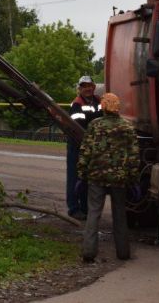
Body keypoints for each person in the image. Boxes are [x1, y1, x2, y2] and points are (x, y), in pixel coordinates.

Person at [77, 93, 139, 262]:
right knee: (119, 215)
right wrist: (133, 179)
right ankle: (123, 253)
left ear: (102, 106)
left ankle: (89, 253)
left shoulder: (95, 125)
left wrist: (82, 174)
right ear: (118, 107)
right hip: (119, 179)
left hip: (96, 176)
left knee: (93, 214)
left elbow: (85, 151)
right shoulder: (127, 127)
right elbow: (133, 156)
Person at [66, 75, 102, 220]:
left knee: (88, 179)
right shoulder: (76, 104)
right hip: (78, 145)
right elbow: (78, 128)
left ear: (93, 87)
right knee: (75, 177)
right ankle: (74, 209)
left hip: (92, 145)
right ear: (79, 89)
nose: (87, 88)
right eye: (84, 86)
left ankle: (86, 208)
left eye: (89, 85)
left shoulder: (98, 101)